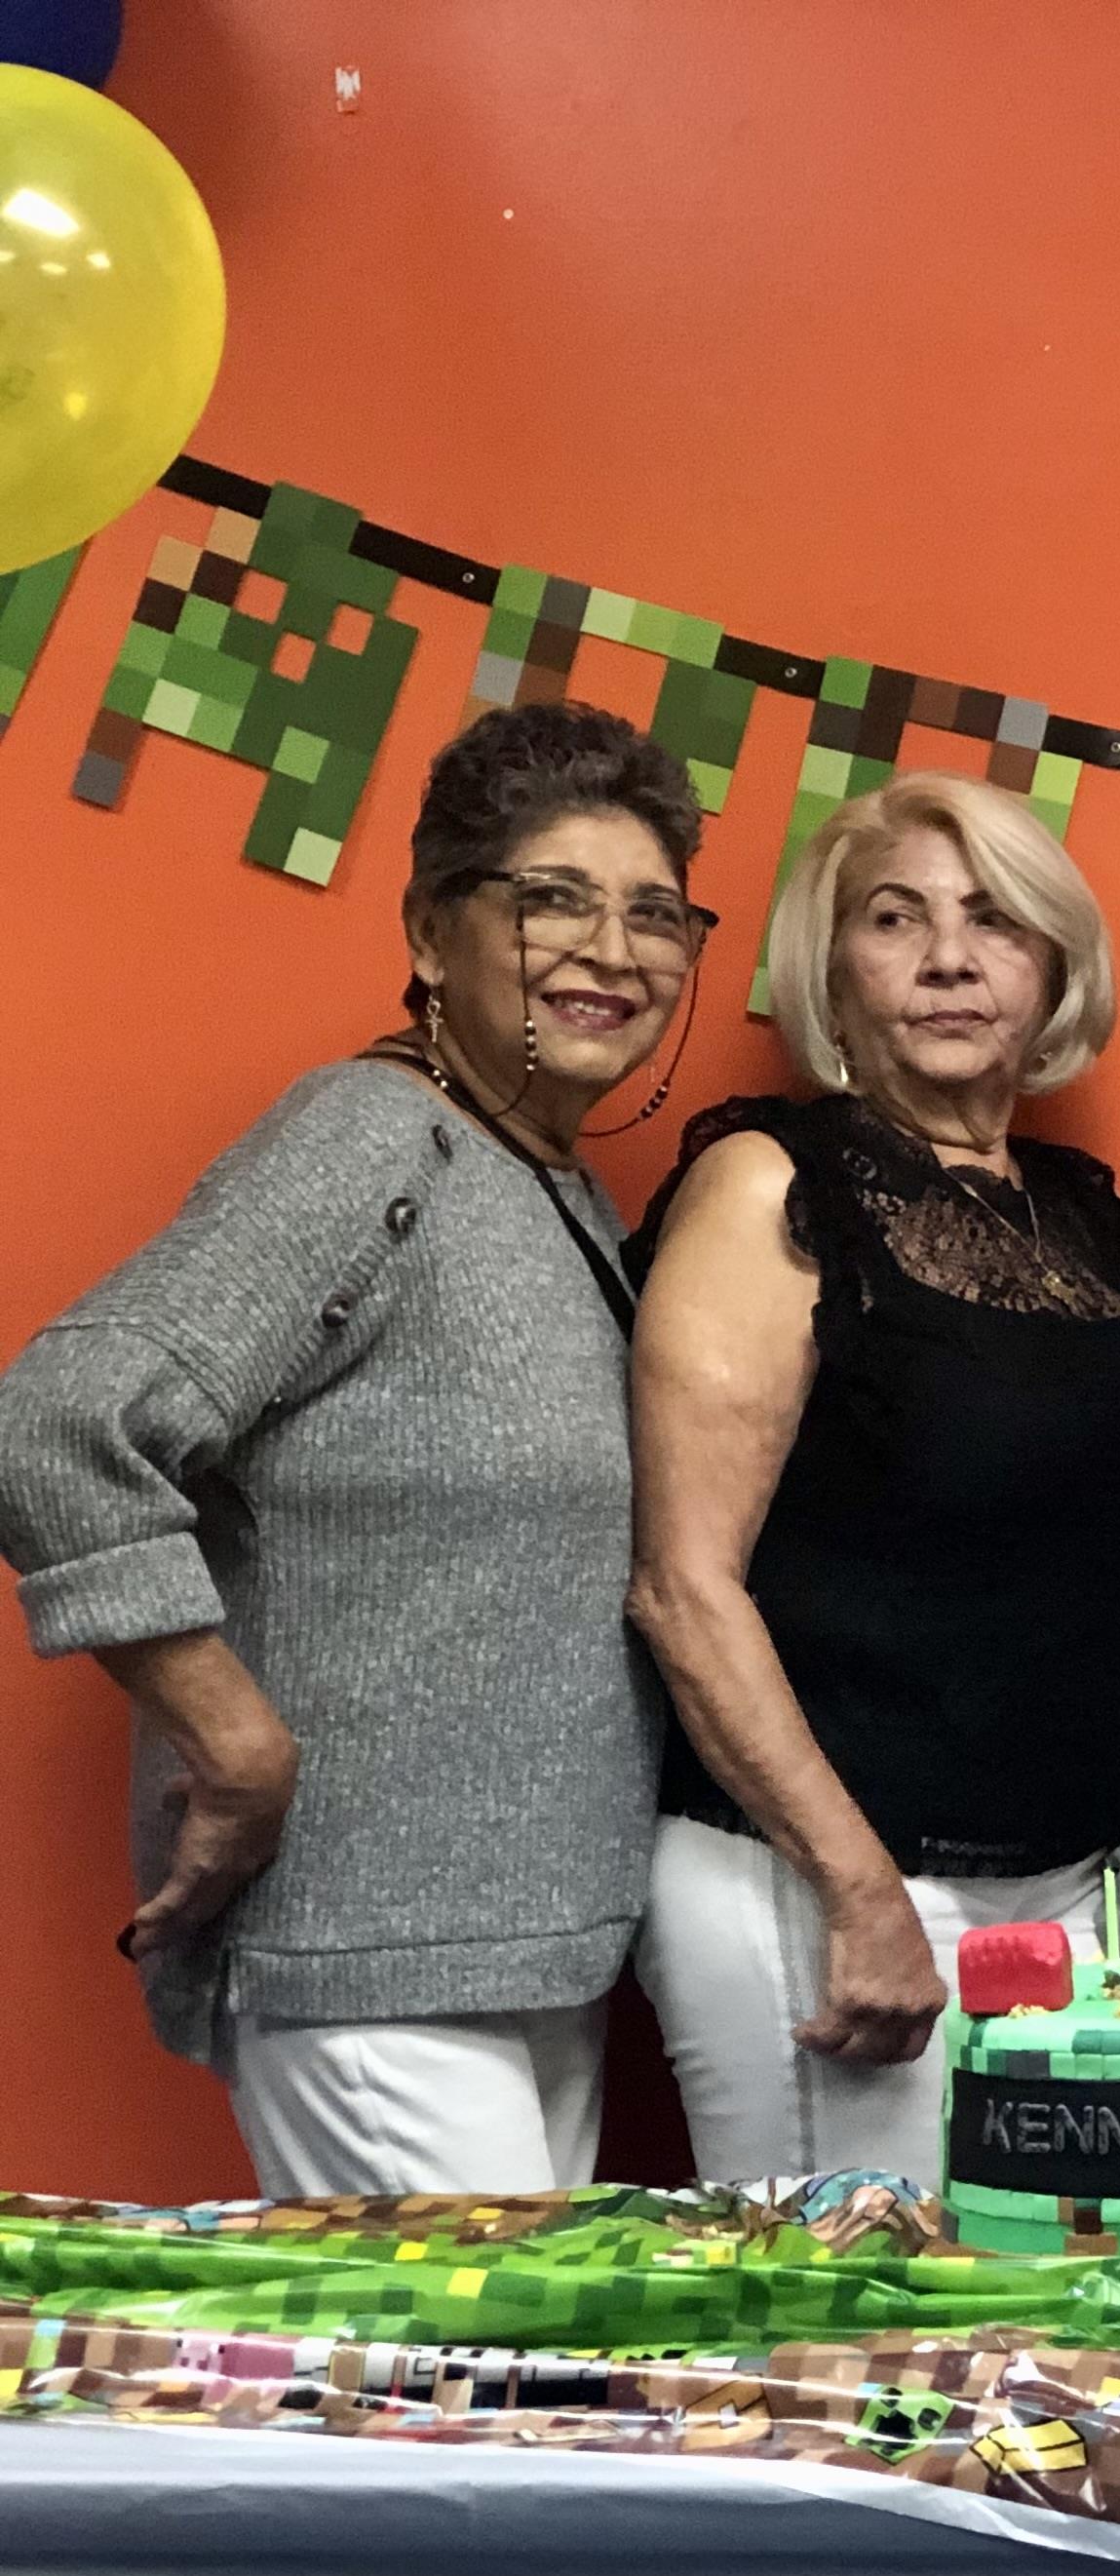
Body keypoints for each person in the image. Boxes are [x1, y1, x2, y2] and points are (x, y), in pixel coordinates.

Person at [0, 702, 713, 2196]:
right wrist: (235, 1741)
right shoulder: (368, 1139)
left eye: (655, 911)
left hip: (537, 1947)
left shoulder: (548, 1186)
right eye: (552, 897)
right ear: (431, 925)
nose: (615, 947)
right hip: (367, 1954)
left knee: (510, 2414)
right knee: (468, 2422)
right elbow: (56, 1424)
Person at [625, 773, 1120, 2187]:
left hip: (1068, 1889)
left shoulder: (1101, 1223)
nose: (951, 957)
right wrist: (856, 1886)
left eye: (995, 920)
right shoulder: (771, 1188)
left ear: (1055, 961)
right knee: (851, 2338)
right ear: (833, 968)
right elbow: (681, 1587)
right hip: (815, 1882)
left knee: (1027, 2335)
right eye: (898, 919)